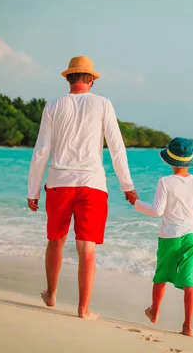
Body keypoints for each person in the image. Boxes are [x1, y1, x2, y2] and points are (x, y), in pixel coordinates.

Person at [27, 56, 138, 320]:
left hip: (58, 184)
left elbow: (42, 150)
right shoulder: (103, 104)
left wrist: (33, 190)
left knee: (56, 241)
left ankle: (51, 295)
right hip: (92, 186)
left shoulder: (53, 105)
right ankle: (83, 309)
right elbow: (116, 147)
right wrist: (127, 186)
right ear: (90, 80)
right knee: (87, 247)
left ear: (69, 79)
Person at [127, 137, 193, 336]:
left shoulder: (165, 182)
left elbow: (158, 211)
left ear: (168, 160)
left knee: (161, 275)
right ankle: (188, 326)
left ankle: (155, 312)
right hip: (192, 237)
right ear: (190, 160)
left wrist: (136, 203)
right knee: (189, 281)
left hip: (170, 236)